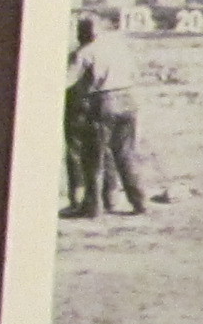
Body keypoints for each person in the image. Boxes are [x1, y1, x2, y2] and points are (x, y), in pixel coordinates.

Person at [63, 18, 147, 218]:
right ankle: (139, 202)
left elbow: (67, 80)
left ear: (84, 33)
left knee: (94, 157)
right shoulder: (119, 49)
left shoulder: (84, 52)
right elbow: (136, 74)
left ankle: (93, 207)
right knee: (126, 154)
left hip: (104, 102)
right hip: (129, 99)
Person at [63, 17, 118, 212]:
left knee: (76, 153)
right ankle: (111, 197)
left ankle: (78, 199)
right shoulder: (108, 52)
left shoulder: (80, 54)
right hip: (101, 104)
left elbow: (67, 82)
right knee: (105, 150)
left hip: (78, 106)